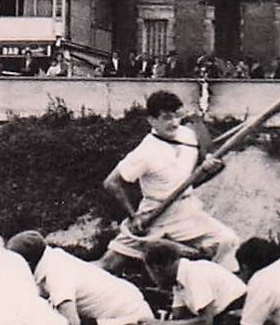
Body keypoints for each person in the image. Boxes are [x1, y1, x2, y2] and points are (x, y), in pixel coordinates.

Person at [98, 91, 239, 273]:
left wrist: (198, 125)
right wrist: (135, 216)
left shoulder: (188, 135)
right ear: (151, 120)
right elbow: (111, 182)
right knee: (109, 265)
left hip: (186, 212)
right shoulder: (146, 151)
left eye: (176, 117)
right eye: (166, 118)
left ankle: (214, 288)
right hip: (154, 215)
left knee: (228, 241)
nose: (173, 123)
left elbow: (209, 154)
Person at [6, 230, 153, 325]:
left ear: (27, 262)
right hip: (118, 318)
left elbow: (71, 323)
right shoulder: (54, 259)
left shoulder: (56, 273)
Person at [137, 242, 267, 325]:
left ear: (156, 268)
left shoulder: (195, 272)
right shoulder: (179, 282)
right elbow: (176, 324)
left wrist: (160, 324)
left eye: (150, 272)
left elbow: (205, 321)